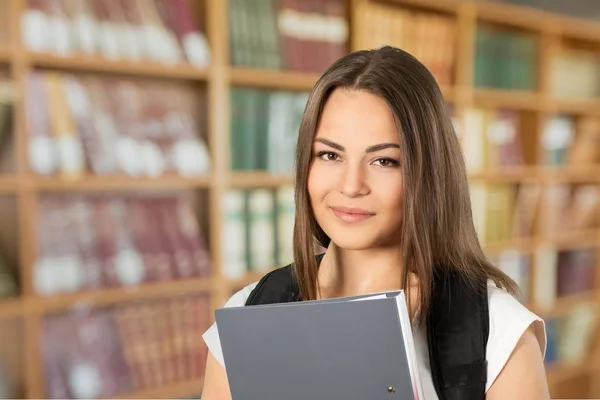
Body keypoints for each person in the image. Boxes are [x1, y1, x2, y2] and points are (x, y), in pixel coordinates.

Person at [201, 46, 549, 399]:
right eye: (330, 155)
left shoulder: (498, 333)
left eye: (384, 161)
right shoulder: (247, 314)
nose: (351, 186)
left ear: (428, 173)